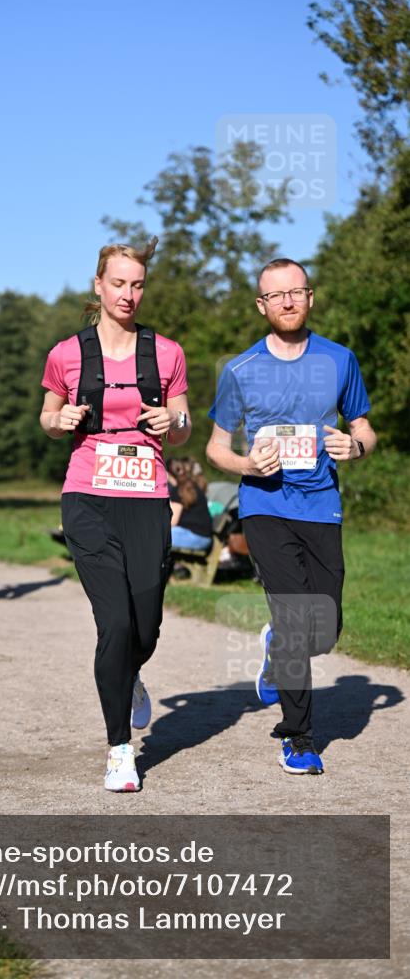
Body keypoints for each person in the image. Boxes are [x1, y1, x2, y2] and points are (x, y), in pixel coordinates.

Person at [206, 257, 376, 776]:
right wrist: (246, 464)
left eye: (295, 292)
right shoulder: (240, 370)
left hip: (321, 504)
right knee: (296, 618)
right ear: (262, 305)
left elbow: (364, 427)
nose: (287, 301)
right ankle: (298, 738)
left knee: (324, 629)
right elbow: (216, 447)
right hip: (266, 505)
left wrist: (355, 447)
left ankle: (275, 647)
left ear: (309, 297)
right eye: (276, 295)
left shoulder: (339, 360)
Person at [39, 237, 191, 792]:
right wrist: (60, 421)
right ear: (99, 286)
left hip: (147, 497)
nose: (128, 294)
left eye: (138, 284)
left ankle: (132, 674)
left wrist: (173, 423)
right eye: (119, 283)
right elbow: (47, 416)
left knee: (145, 627)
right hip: (87, 498)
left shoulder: (167, 353)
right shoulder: (67, 353)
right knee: (116, 623)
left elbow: (184, 424)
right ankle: (120, 750)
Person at [166, 457, 213, 551]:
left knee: (156, 536)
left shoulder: (177, 491)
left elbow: (172, 522)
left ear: (167, 474)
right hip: (204, 537)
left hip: (195, 537)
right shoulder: (192, 486)